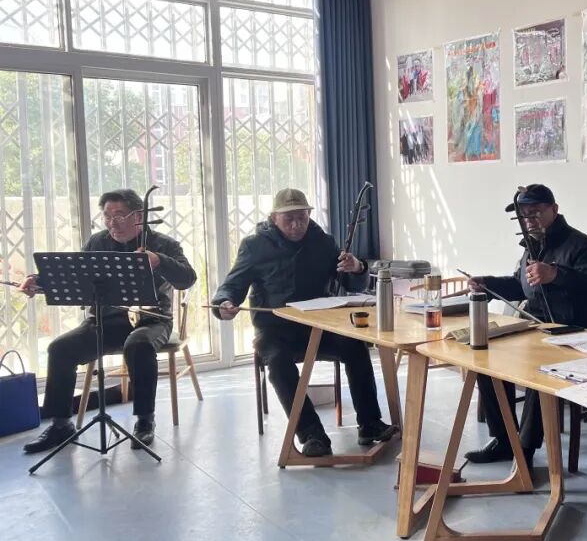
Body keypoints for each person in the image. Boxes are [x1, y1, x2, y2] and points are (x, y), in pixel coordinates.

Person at [211, 188, 397, 457]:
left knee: (355, 345)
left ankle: (370, 424)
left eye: (302, 217)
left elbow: (351, 283)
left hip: (319, 326)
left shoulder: (323, 242)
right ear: (274, 218)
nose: (297, 225)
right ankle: (311, 434)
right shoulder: (254, 246)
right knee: (278, 363)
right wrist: (224, 303)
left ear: (309, 214)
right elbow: (232, 285)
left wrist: (357, 267)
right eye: (289, 219)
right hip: (274, 329)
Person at [22, 188, 197, 452]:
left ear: (139, 216)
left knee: (139, 344)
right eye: (107, 216)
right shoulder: (97, 243)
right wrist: (38, 283)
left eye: (119, 215)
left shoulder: (163, 244)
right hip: (105, 321)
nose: (112, 222)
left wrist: (158, 261)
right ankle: (61, 425)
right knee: (60, 348)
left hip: (152, 321)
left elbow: (187, 278)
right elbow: (74, 277)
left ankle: (145, 421)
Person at [465, 185, 587, 467]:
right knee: (484, 359)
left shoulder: (580, 244)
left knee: (539, 372)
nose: (529, 220)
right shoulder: (531, 246)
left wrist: (556, 275)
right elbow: (521, 285)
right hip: (535, 328)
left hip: (573, 331)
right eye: (524, 215)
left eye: (536, 212)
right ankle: (504, 440)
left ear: (554, 209)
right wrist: (487, 284)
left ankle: (525, 450)